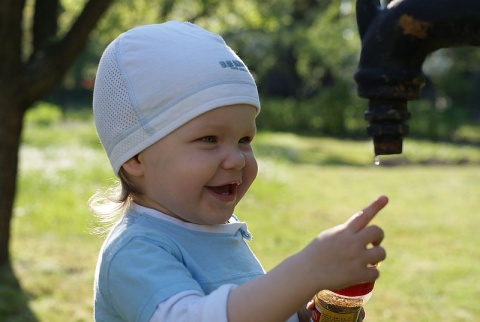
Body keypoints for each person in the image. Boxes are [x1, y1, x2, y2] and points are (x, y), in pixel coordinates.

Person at [90, 20, 388, 322]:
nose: (236, 159)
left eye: (244, 140)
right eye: (209, 139)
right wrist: (304, 271)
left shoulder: (215, 232)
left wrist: (298, 313)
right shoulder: (135, 252)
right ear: (136, 156)